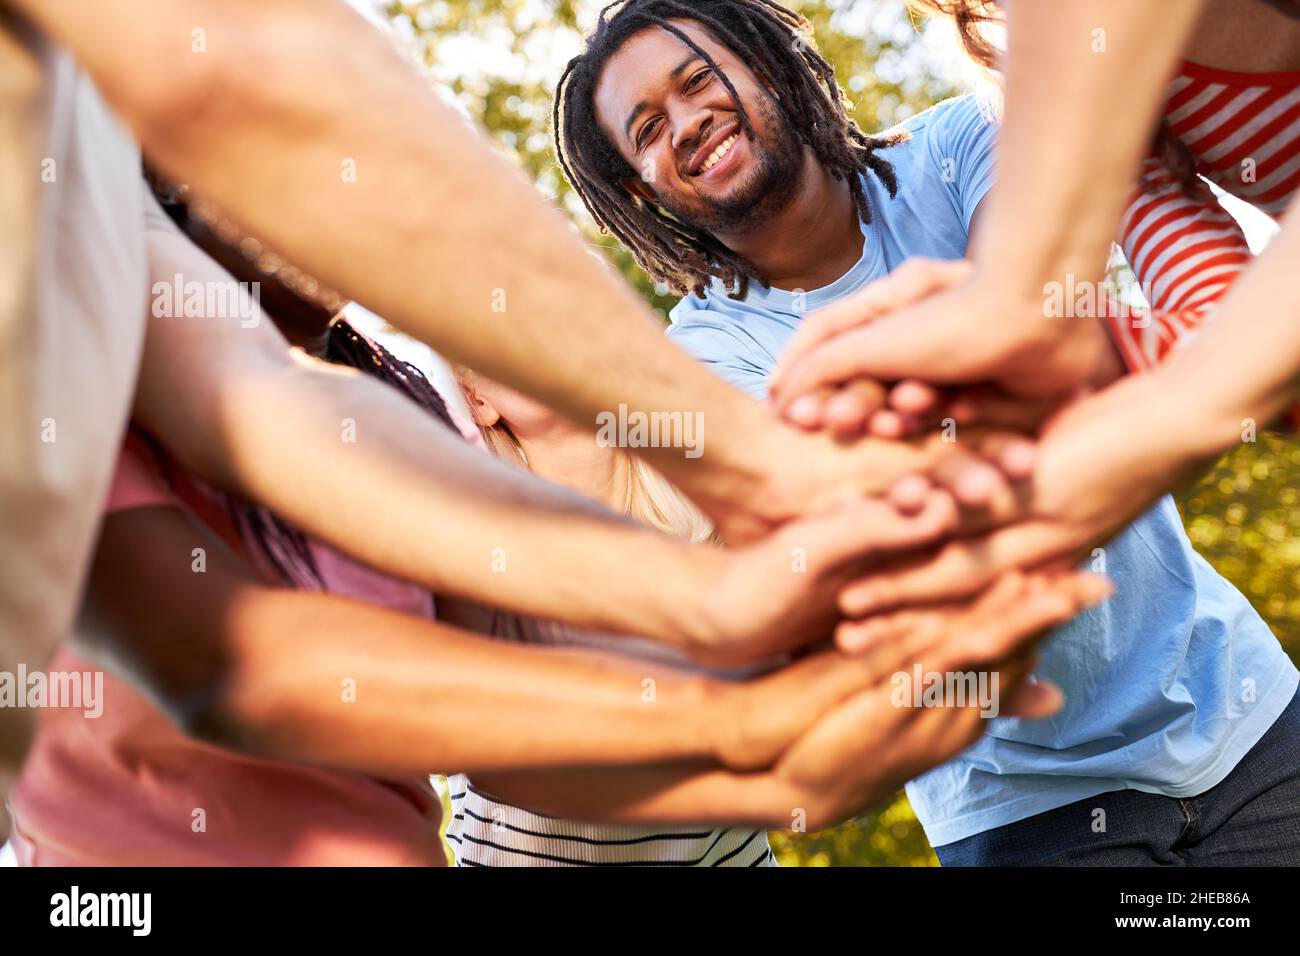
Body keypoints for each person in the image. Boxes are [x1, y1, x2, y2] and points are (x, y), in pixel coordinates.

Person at [6, 189, 1093, 865]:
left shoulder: (368, 398)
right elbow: (229, 662)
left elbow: (523, 699)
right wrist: (756, 722)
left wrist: (802, 719)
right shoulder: (57, 332)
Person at [551, 0, 1300, 864]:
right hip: (1020, 802)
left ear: (768, 64)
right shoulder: (703, 357)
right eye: (647, 128)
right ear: (641, 187)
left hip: (1234, 704)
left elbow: (1036, 314)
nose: (686, 124)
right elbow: (859, 508)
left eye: (699, 80)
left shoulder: (959, 143)